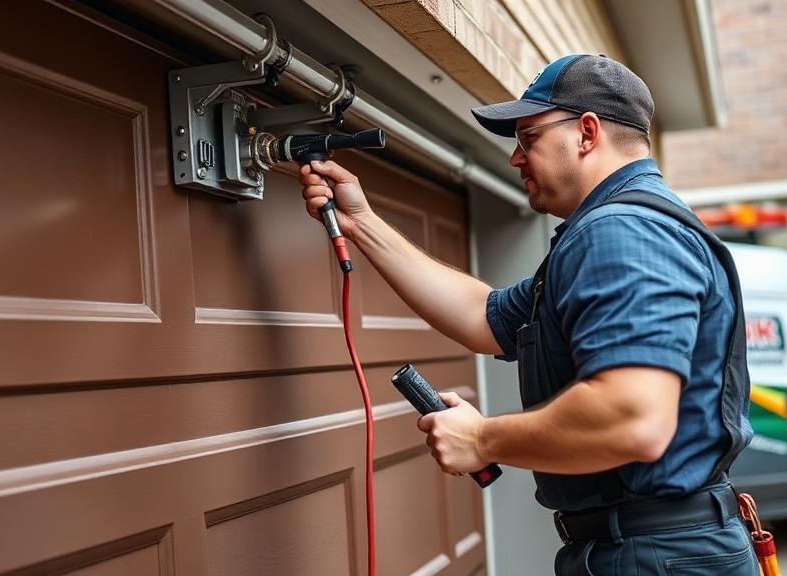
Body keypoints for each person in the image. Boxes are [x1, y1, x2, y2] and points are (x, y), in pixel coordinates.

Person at [299, 54, 756, 575]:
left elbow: (633, 417)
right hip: (656, 549)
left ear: (586, 133)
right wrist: (361, 223)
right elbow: (484, 316)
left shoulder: (620, 232)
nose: (515, 158)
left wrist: (481, 438)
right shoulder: (614, 230)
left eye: (528, 137)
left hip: (653, 555)